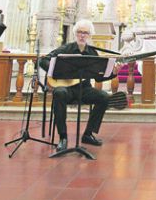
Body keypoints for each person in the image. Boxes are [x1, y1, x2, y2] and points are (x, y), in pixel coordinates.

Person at [39, 19, 122, 154]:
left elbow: (99, 77)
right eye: (79, 32)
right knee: (59, 93)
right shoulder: (66, 48)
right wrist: (58, 71)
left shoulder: (92, 53)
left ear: (89, 35)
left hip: (84, 89)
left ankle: (88, 134)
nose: (82, 35)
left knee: (104, 97)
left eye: (85, 33)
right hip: (66, 89)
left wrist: (113, 73)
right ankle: (63, 138)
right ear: (75, 33)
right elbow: (43, 60)